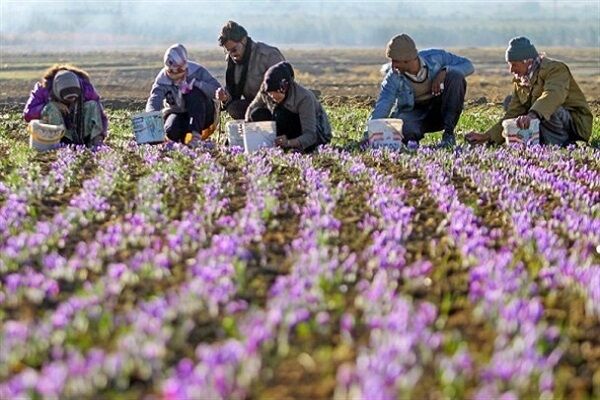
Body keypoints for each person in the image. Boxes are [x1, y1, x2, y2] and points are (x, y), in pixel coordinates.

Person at [466, 36, 592, 146]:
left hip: (574, 125)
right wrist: (486, 136)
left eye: (514, 64)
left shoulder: (555, 69)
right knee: (510, 102)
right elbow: (513, 113)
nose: (511, 70)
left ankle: (559, 145)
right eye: (509, 64)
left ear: (527, 62)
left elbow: (553, 95)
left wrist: (532, 115)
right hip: (546, 123)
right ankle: (538, 142)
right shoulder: (521, 80)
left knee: (549, 107)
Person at [369, 34, 474, 148]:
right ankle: (412, 144)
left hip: (441, 111)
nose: (393, 65)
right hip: (414, 114)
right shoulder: (393, 77)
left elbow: (468, 65)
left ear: (408, 60)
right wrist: (368, 136)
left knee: (455, 76)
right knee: (406, 129)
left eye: (396, 61)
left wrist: (445, 71)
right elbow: (383, 105)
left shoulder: (436, 58)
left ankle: (448, 135)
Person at [245, 61, 332, 153]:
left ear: (285, 88)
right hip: (285, 126)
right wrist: (246, 127)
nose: (272, 97)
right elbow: (252, 107)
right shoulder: (266, 89)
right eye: (270, 95)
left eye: (275, 94)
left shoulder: (304, 98)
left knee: (282, 114)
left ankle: (292, 148)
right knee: (257, 113)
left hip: (313, 134)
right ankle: (269, 144)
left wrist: (289, 142)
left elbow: (310, 135)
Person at [146, 43, 221, 146]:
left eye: (181, 70)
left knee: (194, 92)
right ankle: (182, 143)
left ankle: (196, 136)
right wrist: (151, 118)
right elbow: (154, 101)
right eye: (174, 72)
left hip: (203, 113)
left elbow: (216, 89)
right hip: (179, 112)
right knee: (171, 130)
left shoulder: (197, 71)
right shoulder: (162, 81)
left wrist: (198, 84)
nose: (179, 75)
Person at [23, 64, 108, 147]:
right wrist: (51, 105)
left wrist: (101, 135)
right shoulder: (44, 89)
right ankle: (59, 143)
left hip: (80, 124)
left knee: (92, 105)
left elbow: (100, 116)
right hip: (53, 130)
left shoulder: (86, 89)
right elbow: (28, 114)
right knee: (51, 108)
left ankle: (92, 143)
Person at [216, 21, 285, 120]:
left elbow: (284, 88)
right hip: (254, 106)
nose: (232, 55)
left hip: (277, 105)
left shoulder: (268, 55)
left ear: (243, 40)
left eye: (234, 50)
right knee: (234, 108)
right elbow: (233, 93)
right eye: (228, 51)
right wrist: (225, 98)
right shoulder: (233, 62)